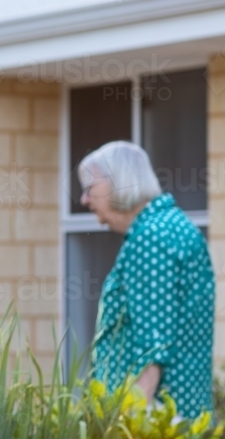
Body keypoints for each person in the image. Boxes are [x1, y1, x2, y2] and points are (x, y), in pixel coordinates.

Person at [79, 141, 215, 418]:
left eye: (89, 187)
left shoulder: (151, 237)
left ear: (117, 183)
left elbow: (153, 347)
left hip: (156, 426)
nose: (84, 200)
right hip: (181, 415)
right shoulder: (169, 227)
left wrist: (133, 426)